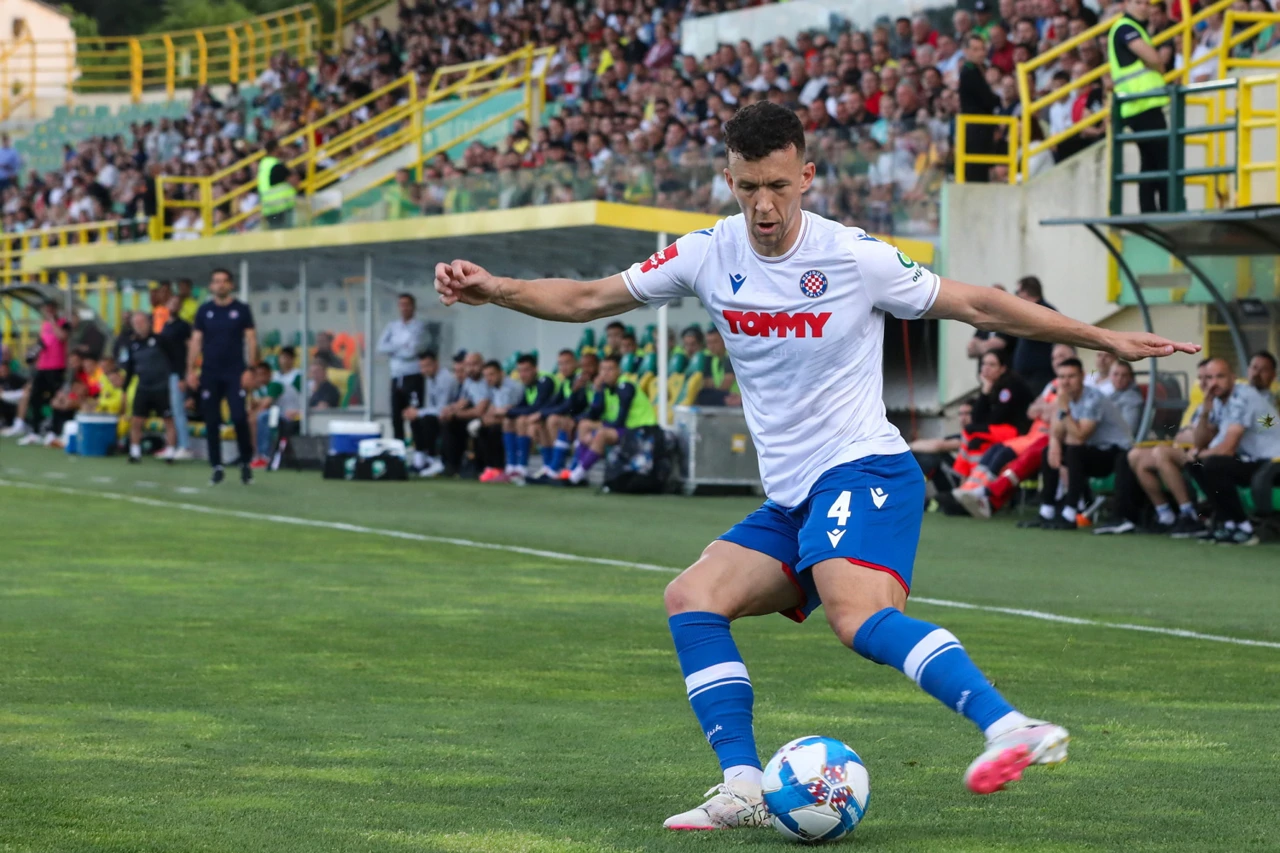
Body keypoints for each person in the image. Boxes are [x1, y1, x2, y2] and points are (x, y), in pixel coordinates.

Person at [433, 101, 1196, 827]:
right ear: (728, 180)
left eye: (777, 186)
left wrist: (1106, 339)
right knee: (692, 597)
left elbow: (980, 304)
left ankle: (1012, 726)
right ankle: (742, 786)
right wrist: (493, 288)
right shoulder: (706, 253)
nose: (763, 205)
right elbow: (588, 298)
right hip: (796, 495)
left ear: (806, 176)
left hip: (864, 469)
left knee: (856, 616)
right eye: (747, 186)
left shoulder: (853, 256)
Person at [1105, 357, 1222, 537]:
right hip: (1185, 447)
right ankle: (1165, 514)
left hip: (1204, 452)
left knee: (1161, 453)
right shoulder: (1200, 403)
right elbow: (1185, 432)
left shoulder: (1219, 402)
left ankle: (1189, 514)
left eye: (1208, 378)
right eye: (1200, 378)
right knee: (1136, 456)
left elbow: (1205, 436)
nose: (1204, 383)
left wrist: (1190, 432)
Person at [1032, 358, 1136, 530]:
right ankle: (1047, 511)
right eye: (1062, 377)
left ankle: (1071, 512)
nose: (1065, 382)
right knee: (1048, 451)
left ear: (1082, 376)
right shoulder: (1065, 397)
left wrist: (1064, 409)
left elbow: (1080, 436)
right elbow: (1057, 431)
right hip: (1094, 450)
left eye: (1071, 376)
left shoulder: (1093, 397)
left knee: (1074, 451)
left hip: (1117, 453)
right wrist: (1054, 444)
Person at [1190, 351, 1280, 545]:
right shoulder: (1220, 400)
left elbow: (1227, 449)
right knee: (1196, 464)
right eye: (1210, 377)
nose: (1214, 383)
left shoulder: (1243, 397)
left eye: (1220, 376)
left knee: (1213, 463)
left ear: (1233, 377)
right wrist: (1205, 413)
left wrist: (1199, 452)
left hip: (1274, 462)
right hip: (1255, 461)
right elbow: (1200, 442)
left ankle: (1245, 528)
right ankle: (1228, 524)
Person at [187, 267, 258, 486]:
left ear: (231, 285)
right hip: (210, 372)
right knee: (212, 420)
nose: (220, 285)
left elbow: (251, 340)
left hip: (235, 371)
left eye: (224, 281)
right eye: (216, 281)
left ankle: (245, 461)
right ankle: (216, 466)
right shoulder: (204, 310)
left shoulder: (242, 309)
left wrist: (250, 369)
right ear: (211, 286)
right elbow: (196, 340)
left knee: (238, 417)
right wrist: (190, 369)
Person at [1109, 0, 1171, 213]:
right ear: (1126, 4)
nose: (1145, 6)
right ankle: (1164, 211)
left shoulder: (1134, 29)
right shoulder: (1125, 27)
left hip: (1142, 105)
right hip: (1141, 105)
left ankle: (1151, 213)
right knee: (1162, 160)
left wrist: (1155, 62)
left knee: (1151, 162)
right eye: (1139, 2)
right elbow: (1154, 58)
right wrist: (1156, 61)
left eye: (1147, 3)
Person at [561, 353, 658, 485]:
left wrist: (596, 432)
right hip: (624, 428)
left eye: (610, 369)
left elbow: (620, 420)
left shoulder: (625, 387)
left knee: (601, 434)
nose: (606, 373)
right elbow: (595, 413)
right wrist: (598, 390)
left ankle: (576, 476)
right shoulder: (605, 388)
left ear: (619, 370)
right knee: (584, 425)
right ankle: (577, 470)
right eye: (603, 370)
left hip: (640, 430)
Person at [2, 301, 68, 440]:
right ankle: (35, 431)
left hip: (56, 367)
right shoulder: (44, 325)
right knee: (35, 397)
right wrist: (32, 354)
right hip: (42, 367)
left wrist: (52, 321)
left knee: (55, 398)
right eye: (46, 309)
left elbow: (62, 337)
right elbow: (42, 342)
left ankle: (54, 431)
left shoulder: (63, 323)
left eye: (50, 309)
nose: (48, 311)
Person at [122, 311, 178, 463]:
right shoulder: (132, 344)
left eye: (142, 322)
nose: (139, 326)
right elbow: (130, 368)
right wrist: (125, 389)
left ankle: (171, 452)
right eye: (136, 323)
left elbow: (175, 359)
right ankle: (135, 452)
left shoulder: (161, 341)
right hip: (144, 386)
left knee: (168, 419)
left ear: (149, 323)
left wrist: (178, 378)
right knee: (137, 420)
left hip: (162, 386)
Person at [377, 292, 428, 443]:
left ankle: (419, 451)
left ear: (413, 307)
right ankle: (398, 447)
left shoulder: (419, 326)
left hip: (413, 375)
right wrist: (401, 346)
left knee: (413, 414)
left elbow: (413, 351)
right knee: (396, 415)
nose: (404, 308)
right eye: (402, 305)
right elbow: (380, 347)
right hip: (396, 376)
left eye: (407, 305)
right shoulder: (392, 326)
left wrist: (395, 348)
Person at [503, 354, 560, 485]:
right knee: (508, 421)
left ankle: (525, 468)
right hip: (544, 417)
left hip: (556, 418)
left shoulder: (545, 381)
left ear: (535, 369)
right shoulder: (528, 385)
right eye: (520, 371)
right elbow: (524, 406)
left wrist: (509, 411)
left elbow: (537, 407)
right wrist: (509, 410)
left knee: (525, 421)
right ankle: (512, 466)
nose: (523, 374)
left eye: (526, 370)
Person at [403, 350, 457, 477]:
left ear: (436, 364)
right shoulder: (429, 379)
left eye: (427, 366)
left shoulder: (445, 379)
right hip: (440, 414)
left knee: (427, 420)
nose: (424, 370)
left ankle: (435, 459)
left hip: (451, 415)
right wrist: (416, 413)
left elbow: (441, 408)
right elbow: (430, 406)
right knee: (416, 419)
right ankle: (420, 459)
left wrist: (418, 412)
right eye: (422, 367)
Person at [958, 34, 1000, 183]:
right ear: (966, 51)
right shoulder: (969, 71)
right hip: (976, 131)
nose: (980, 53)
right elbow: (987, 99)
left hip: (982, 130)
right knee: (976, 174)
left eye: (982, 49)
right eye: (975, 49)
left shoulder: (979, 69)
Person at [159, 294, 194, 461]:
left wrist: (184, 375)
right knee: (170, 411)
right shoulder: (166, 325)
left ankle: (185, 446)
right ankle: (172, 445)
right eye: (171, 302)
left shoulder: (183, 326)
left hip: (177, 373)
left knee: (179, 410)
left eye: (176, 303)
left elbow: (187, 352)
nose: (173, 305)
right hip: (167, 372)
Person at [478, 359, 523, 483]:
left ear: (501, 373)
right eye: (486, 375)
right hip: (501, 419)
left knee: (494, 430)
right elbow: (494, 408)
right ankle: (490, 467)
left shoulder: (512, 387)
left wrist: (493, 416)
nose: (489, 378)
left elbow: (510, 411)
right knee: (481, 428)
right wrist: (487, 417)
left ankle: (499, 467)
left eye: (491, 374)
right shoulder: (494, 388)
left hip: (514, 421)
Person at [1010, 276, 1058, 391]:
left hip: (1040, 379)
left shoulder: (1044, 312)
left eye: (1017, 292)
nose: (1016, 296)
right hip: (1027, 379)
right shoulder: (1030, 312)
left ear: (1026, 292)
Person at [258, 137, 297, 228]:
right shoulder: (276, 165)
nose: (282, 149)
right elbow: (295, 182)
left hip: (269, 208)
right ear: (275, 149)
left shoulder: (264, 164)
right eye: (280, 147)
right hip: (282, 206)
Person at [1107, 360, 1144, 436]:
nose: (1119, 378)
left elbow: (1128, 431)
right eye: (1115, 374)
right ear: (1109, 376)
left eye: (1124, 375)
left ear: (1130, 378)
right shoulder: (1112, 395)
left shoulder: (1132, 399)